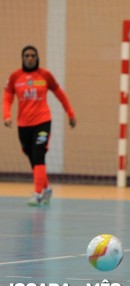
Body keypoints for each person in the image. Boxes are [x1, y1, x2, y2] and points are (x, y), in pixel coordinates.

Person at [2, 45, 76, 206]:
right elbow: (7, 97)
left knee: (38, 155)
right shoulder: (15, 77)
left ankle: (37, 193)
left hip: (42, 121)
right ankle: (46, 188)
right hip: (23, 125)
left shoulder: (45, 76)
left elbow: (59, 93)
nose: (30, 58)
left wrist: (70, 113)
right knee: (31, 158)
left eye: (33, 55)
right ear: (22, 58)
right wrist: (6, 116)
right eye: (27, 56)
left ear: (37, 58)